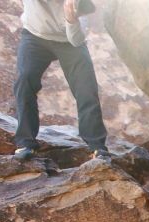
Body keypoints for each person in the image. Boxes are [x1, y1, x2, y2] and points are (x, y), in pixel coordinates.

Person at [12, 0, 111, 162]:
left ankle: (97, 147)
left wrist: (71, 19)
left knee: (86, 90)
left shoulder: (79, 3)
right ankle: (25, 143)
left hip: (69, 44)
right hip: (34, 37)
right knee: (24, 80)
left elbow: (76, 41)